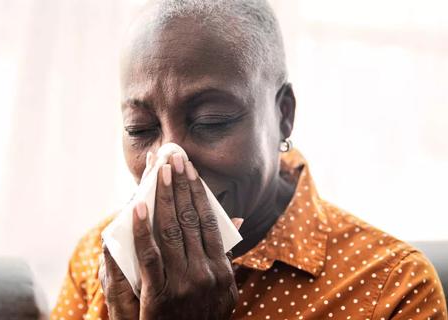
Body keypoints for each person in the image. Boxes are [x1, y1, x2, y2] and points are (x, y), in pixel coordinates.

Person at [51, 0, 447, 319]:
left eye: (211, 121)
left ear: (284, 116)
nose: (168, 161)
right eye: (140, 128)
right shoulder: (97, 259)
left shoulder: (390, 287)